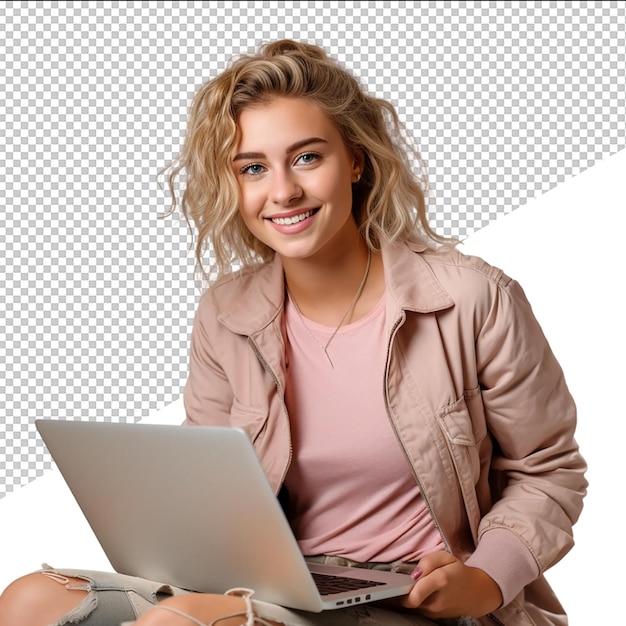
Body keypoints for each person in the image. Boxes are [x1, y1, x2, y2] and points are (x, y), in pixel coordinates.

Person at [0, 39, 587, 626]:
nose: (282, 192)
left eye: (307, 157)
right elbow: (200, 485)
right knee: (29, 599)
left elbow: (548, 471)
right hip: (280, 591)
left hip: (416, 605)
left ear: (355, 160)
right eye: (253, 168)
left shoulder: (471, 299)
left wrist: (485, 579)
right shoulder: (225, 314)